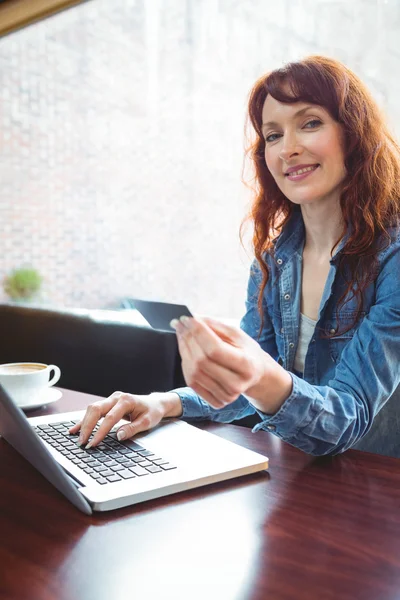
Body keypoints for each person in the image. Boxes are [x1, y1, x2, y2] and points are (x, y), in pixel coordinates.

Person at [70, 55, 400, 457]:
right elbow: (247, 391)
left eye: (310, 123)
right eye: (273, 135)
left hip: (374, 489)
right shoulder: (274, 259)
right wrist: (163, 403)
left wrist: (257, 374)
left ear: (354, 135)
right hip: (292, 477)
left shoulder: (392, 260)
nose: (288, 149)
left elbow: (345, 417)